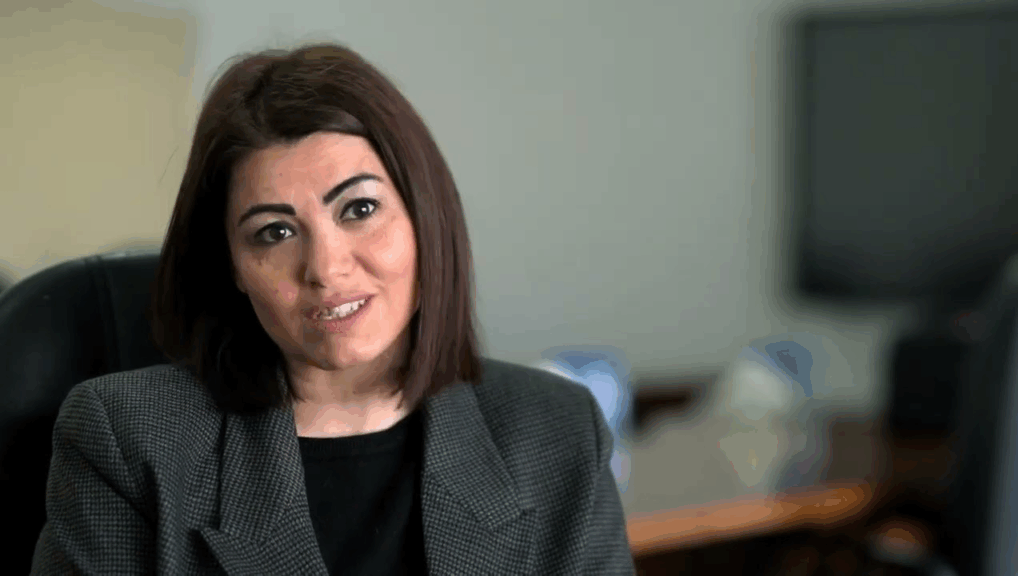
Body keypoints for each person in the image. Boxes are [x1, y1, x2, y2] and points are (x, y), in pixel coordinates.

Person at [30, 43, 635, 575]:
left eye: (360, 210)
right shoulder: (128, 442)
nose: (325, 268)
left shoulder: (556, 431)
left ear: (425, 218)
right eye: (274, 232)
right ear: (233, 268)